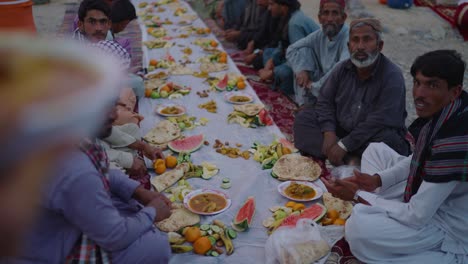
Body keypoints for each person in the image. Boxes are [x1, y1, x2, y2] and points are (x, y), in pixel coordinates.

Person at [322, 49, 468, 264]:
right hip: (427, 195)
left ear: (454, 91)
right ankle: (380, 203)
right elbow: (419, 158)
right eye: (418, 83)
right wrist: (377, 180)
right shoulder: (450, 109)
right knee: (375, 150)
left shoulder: (454, 143)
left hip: (446, 225)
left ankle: (451, 257)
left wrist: (358, 196)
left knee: (359, 227)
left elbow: (417, 215)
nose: (419, 93)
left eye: (432, 85)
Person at [6, 104, 173, 263]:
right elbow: (115, 236)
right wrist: (151, 213)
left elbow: (101, 171)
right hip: (50, 253)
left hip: (61, 223)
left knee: (129, 206)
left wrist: (137, 190)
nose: (115, 115)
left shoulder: (60, 133)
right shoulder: (72, 168)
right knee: (155, 247)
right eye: (105, 106)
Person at [293, 18, 409, 165]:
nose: (360, 46)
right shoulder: (342, 69)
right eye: (355, 40)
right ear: (349, 46)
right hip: (342, 129)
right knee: (304, 118)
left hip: (372, 135)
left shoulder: (392, 76)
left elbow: (380, 120)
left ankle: (340, 154)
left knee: (388, 143)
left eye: (367, 40)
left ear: (379, 46)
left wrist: (344, 145)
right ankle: (350, 159)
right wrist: (329, 132)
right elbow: (324, 101)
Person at [286, 0, 350, 105]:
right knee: (304, 50)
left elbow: (340, 69)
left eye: (335, 13)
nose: (329, 19)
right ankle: (304, 104)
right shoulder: (319, 35)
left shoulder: (349, 37)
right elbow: (292, 49)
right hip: (319, 84)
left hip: (340, 89)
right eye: (326, 13)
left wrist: (313, 86)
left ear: (343, 18)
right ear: (320, 18)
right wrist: (300, 69)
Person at [258, 0, 319, 95]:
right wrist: (272, 60)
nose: (269, 8)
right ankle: (274, 79)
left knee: (283, 72)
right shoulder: (288, 17)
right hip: (297, 58)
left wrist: (271, 73)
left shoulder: (294, 23)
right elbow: (282, 45)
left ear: (284, 7)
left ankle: (285, 94)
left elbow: (300, 58)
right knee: (268, 53)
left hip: (310, 66)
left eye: (272, 4)